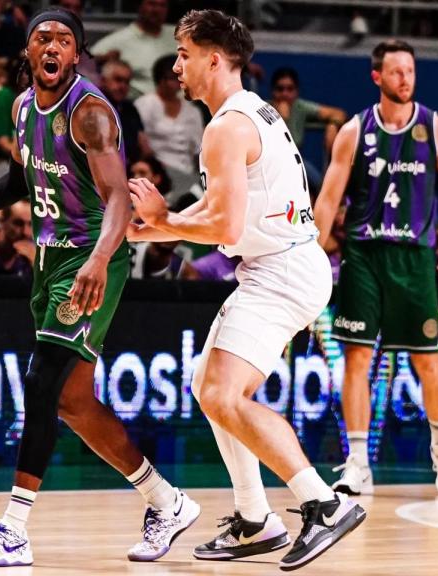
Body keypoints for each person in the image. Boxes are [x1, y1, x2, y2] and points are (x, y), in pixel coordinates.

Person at [0, 8, 199, 567]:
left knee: (43, 381)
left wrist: (100, 259)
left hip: (92, 257)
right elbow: (25, 176)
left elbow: (119, 196)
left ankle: (14, 527)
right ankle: (166, 501)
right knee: (75, 403)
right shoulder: (22, 106)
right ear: (28, 52)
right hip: (51, 261)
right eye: (41, 38)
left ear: (77, 55)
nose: (51, 46)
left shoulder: (92, 112)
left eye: (64, 40)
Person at [128, 10, 365, 570]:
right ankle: (255, 519)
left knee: (224, 394)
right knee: (205, 384)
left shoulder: (224, 128)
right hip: (283, 264)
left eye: (185, 54)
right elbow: (219, 207)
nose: (177, 65)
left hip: (280, 269)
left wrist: (165, 220)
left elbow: (225, 230)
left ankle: (323, 503)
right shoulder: (248, 112)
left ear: (214, 57)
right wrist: (160, 224)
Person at [312, 40, 438, 497]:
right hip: (364, 254)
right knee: (357, 358)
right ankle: (358, 462)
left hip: (414, 257)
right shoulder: (353, 130)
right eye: (396, 71)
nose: (405, 78)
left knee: (427, 358)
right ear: (377, 78)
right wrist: (310, 258)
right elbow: (328, 200)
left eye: (410, 70)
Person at [135, 55, 204, 199]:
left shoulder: (192, 110)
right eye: (173, 78)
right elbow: (141, 144)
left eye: (180, 77)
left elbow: (199, 150)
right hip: (157, 173)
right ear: (161, 79)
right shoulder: (145, 104)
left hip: (188, 174)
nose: (178, 82)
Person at [91, 0, 175, 97]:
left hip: (184, 105)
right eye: (152, 4)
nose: (157, 10)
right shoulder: (118, 40)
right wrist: (103, 59)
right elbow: (87, 65)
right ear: (139, 7)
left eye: (162, 5)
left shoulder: (180, 35)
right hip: (139, 106)